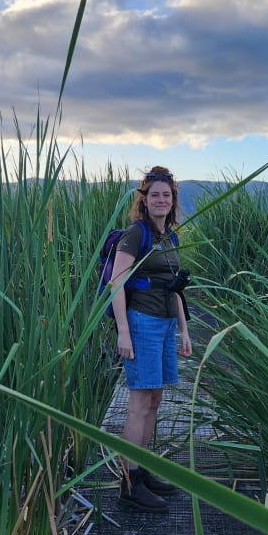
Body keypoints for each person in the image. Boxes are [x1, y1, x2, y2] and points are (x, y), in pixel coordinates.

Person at [109, 166, 193, 513]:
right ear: (145, 200)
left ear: (173, 201)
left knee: (155, 400)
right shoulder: (136, 234)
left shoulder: (169, 237)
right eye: (155, 194)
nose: (162, 200)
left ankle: (141, 471)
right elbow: (117, 282)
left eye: (167, 195)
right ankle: (129, 483)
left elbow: (174, 287)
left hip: (164, 324)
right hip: (141, 323)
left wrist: (184, 329)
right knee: (140, 403)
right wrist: (124, 332)